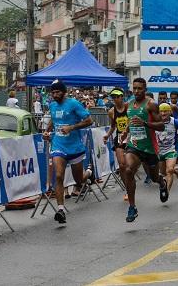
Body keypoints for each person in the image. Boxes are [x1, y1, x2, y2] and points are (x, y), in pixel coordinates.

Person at [43, 80, 93, 224]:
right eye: (53, 92)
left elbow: (89, 120)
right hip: (58, 145)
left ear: (64, 92)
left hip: (75, 147)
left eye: (58, 92)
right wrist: (47, 132)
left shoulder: (74, 104)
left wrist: (72, 128)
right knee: (58, 175)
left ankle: (89, 173)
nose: (55, 95)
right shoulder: (52, 105)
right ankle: (60, 210)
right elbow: (54, 119)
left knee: (79, 180)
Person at [121, 78, 168, 222]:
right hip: (134, 145)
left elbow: (161, 126)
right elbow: (132, 120)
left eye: (139, 88)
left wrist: (145, 124)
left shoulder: (151, 105)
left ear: (145, 88)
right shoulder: (129, 104)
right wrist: (126, 131)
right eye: (134, 88)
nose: (136, 91)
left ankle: (162, 183)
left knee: (154, 178)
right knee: (128, 169)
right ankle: (132, 207)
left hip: (149, 148)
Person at [103, 88, 129, 201]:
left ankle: (132, 181)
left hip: (131, 137)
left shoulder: (129, 107)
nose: (115, 99)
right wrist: (107, 135)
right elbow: (113, 126)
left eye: (117, 96)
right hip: (119, 139)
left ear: (122, 96)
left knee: (130, 165)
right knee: (122, 165)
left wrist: (128, 132)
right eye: (113, 97)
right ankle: (128, 189)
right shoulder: (111, 111)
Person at [156, 103, 178, 191]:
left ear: (170, 112)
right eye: (161, 111)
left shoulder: (175, 122)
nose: (163, 113)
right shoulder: (155, 122)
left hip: (171, 150)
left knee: (169, 170)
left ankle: (167, 191)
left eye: (165, 111)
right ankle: (175, 171)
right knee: (162, 174)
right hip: (159, 152)